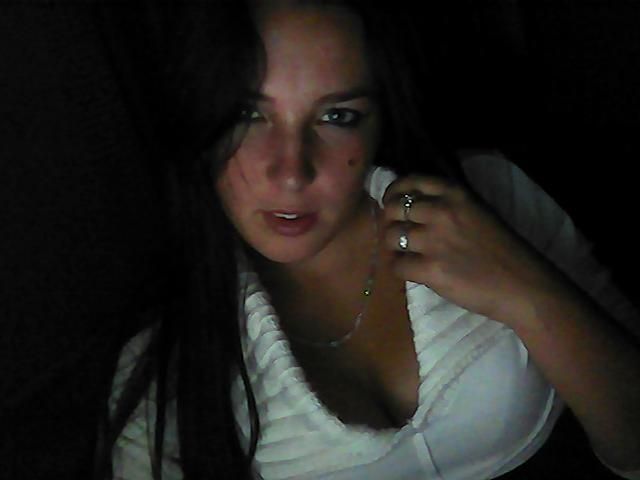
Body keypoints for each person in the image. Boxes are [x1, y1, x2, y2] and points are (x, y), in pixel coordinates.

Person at [110, 1, 640, 479]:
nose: (291, 172)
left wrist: (528, 293)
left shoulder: (491, 196)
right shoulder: (160, 377)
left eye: (337, 116)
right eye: (248, 114)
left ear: (379, 120)